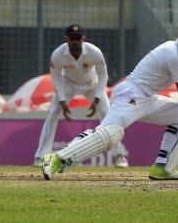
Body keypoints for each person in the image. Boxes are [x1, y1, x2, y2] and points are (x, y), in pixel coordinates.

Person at [42, 23, 178, 181]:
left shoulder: (172, 48)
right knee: (111, 134)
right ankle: (57, 159)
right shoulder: (174, 56)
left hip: (147, 98)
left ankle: (163, 168)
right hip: (131, 96)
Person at [34, 24, 128, 168]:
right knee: (53, 113)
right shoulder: (58, 55)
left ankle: (119, 156)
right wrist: (63, 101)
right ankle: (41, 156)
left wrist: (96, 100)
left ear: (83, 39)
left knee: (108, 114)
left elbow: (103, 76)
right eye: (72, 38)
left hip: (92, 84)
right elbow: (56, 78)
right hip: (67, 84)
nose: (75, 41)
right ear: (66, 39)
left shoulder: (94, 52)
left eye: (78, 38)